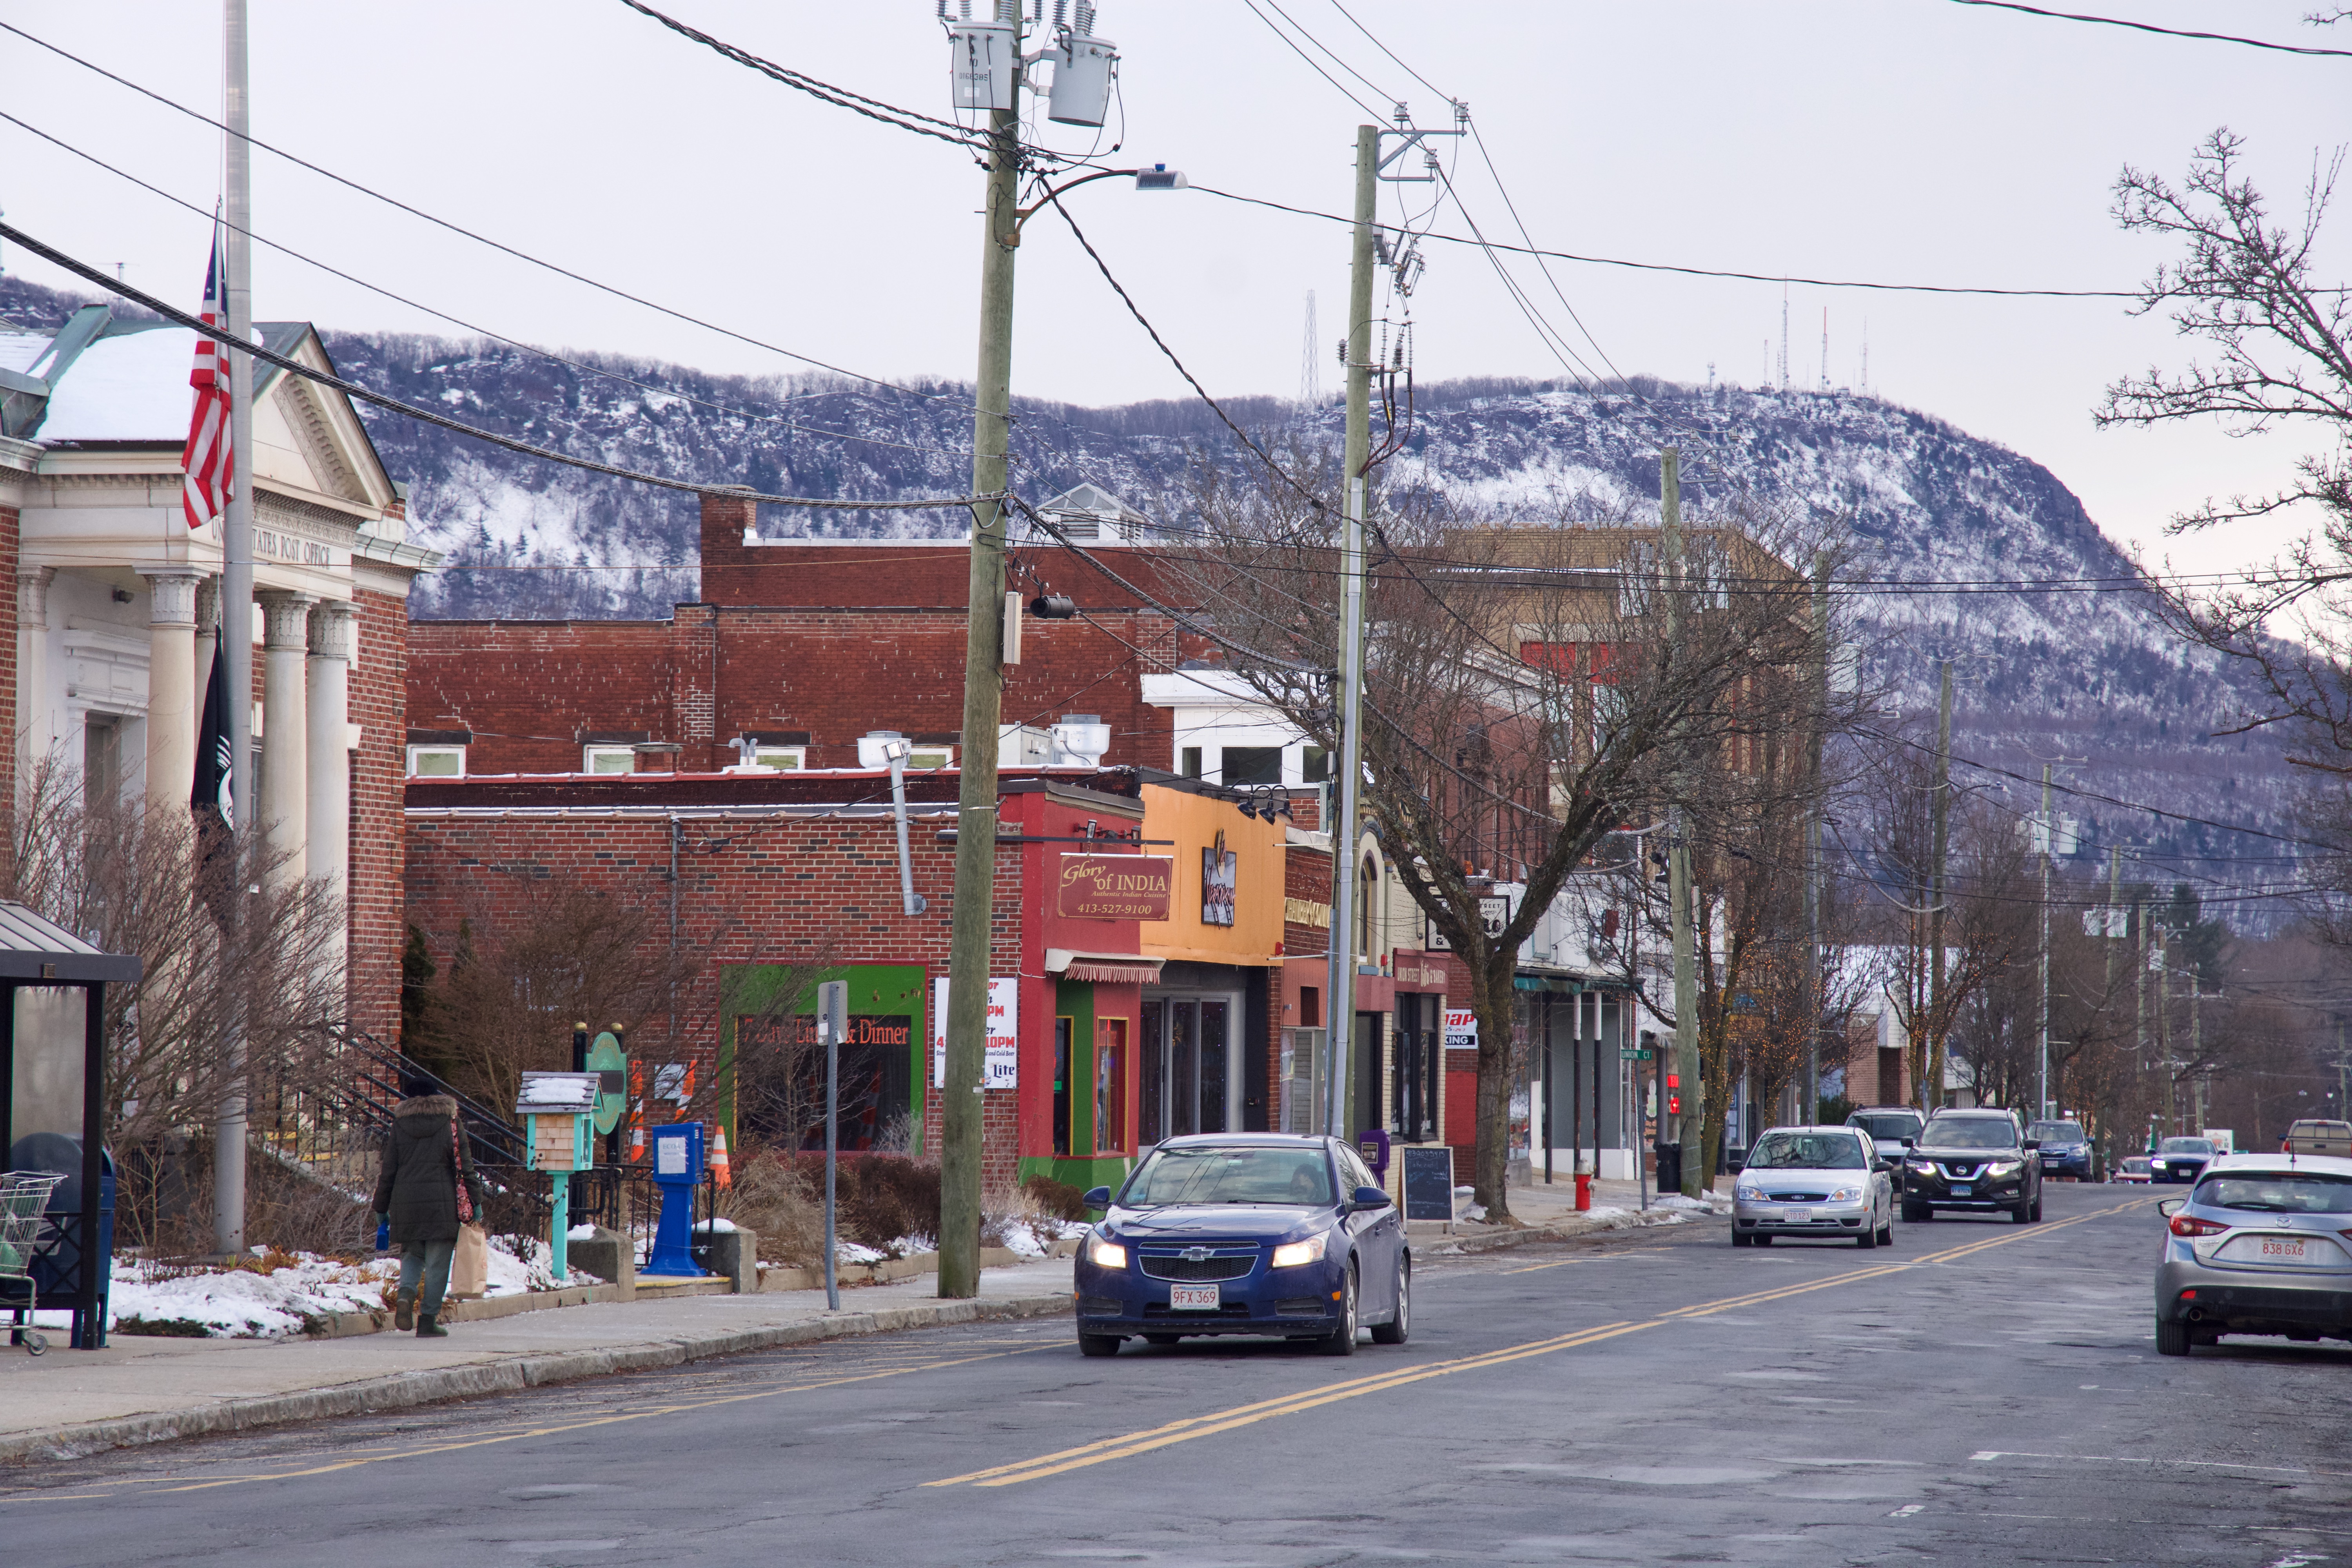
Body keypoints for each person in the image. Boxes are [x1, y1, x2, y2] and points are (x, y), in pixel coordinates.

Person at [371, 1067, 486, 1338]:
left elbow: (389, 1169)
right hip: (442, 1202)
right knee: (437, 1263)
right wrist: (476, 1201)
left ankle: (405, 1296)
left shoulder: (400, 1125)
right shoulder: (450, 1123)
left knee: (412, 1254)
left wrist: (381, 1207)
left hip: (405, 1201)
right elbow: (465, 1167)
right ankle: (427, 1322)